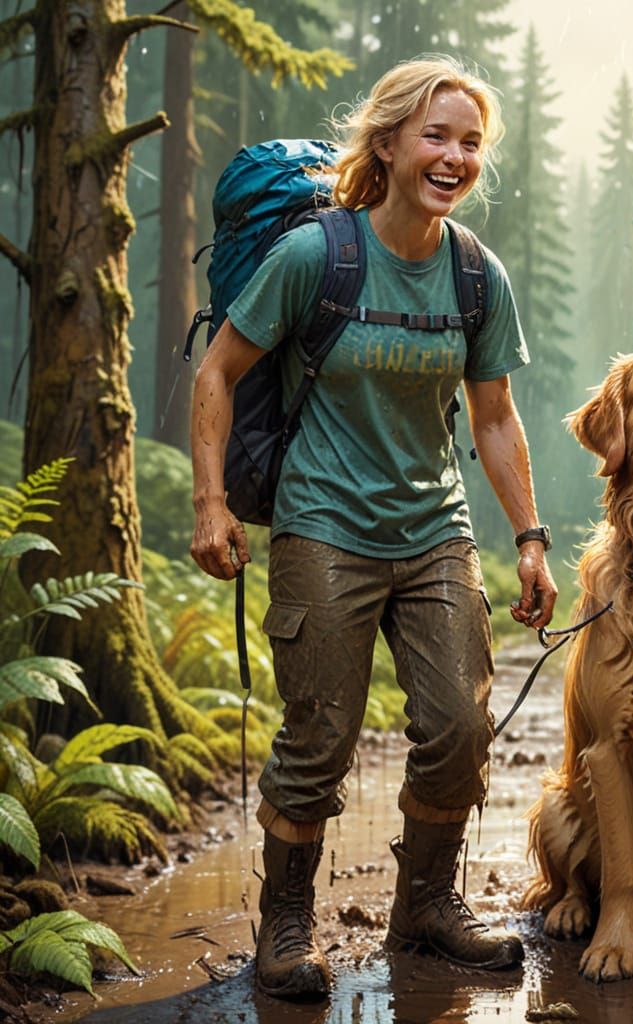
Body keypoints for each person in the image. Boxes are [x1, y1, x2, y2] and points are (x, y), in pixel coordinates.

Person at [189, 55, 557, 1001]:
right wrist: (211, 504)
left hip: (435, 529)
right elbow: (219, 371)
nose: (454, 157)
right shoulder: (316, 257)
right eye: (436, 136)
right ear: (388, 144)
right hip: (322, 525)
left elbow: (494, 417)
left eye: (470, 142)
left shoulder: (475, 274)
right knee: (319, 737)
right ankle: (285, 925)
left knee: (460, 728)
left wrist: (529, 537)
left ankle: (425, 907)